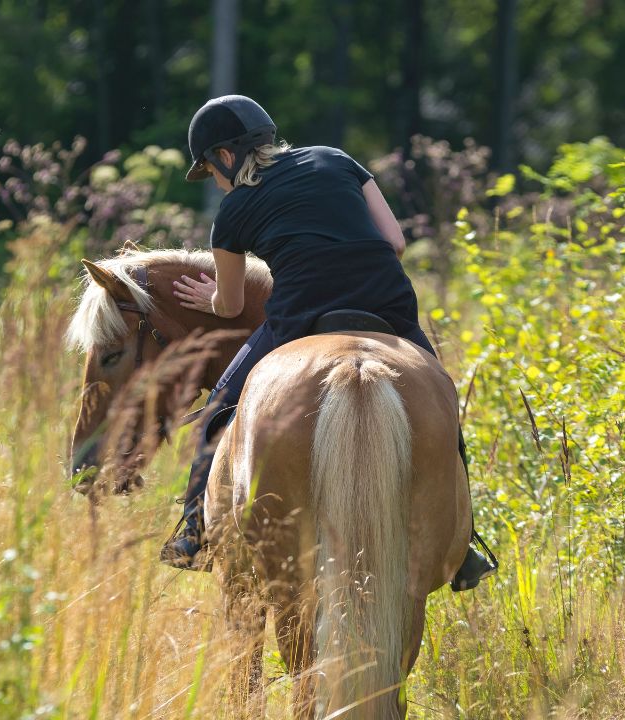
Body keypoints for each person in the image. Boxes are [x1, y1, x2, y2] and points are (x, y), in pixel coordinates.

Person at [159, 95, 496, 591]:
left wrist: (211, 296)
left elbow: (230, 307)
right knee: (441, 401)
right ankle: (465, 540)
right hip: (389, 307)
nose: (215, 178)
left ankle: (193, 529)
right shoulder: (336, 159)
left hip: (300, 319)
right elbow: (396, 244)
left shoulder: (232, 212)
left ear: (226, 157)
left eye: (210, 169)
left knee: (218, 410)